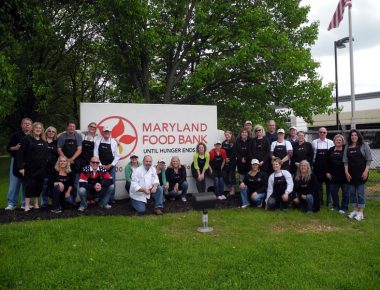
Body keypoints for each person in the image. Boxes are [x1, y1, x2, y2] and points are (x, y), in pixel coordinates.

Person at [17, 122, 49, 211]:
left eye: (40, 128)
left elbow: (46, 154)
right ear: (33, 129)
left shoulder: (43, 140)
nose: (38, 129)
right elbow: (20, 154)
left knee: (39, 186)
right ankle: (27, 205)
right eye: (36, 128)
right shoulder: (27, 139)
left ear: (42, 130)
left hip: (41, 168)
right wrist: (21, 168)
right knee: (30, 186)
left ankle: (36, 204)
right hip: (30, 168)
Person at [343, 129, 372, 221]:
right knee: (352, 193)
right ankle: (355, 210)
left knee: (360, 193)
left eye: (355, 135)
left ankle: (361, 212)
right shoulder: (347, 146)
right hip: (350, 174)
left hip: (361, 173)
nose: (353, 137)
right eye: (352, 135)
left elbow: (369, 159)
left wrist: (366, 171)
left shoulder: (364, 145)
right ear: (350, 137)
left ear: (358, 136)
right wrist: (346, 172)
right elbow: (345, 161)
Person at [5, 117, 32, 210]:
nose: (27, 125)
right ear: (21, 125)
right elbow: (8, 148)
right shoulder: (15, 135)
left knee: (26, 183)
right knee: (14, 183)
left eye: (29, 124)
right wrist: (15, 148)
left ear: (31, 126)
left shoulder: (32, 136)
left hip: (28, 163)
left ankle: (25, 203)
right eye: (25, 123)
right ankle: (11, 203)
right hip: (16, 161)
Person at [57, 120, 83, 199]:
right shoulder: (62, 136)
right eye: (70, 126)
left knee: (75, 183)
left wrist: (71, 159)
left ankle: (73, 200)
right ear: (67, 127)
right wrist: (66, 160)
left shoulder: (78, 136)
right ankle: (62, 200)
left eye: (73, 126)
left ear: (75, 128)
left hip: (75, 163)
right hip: (64, 164)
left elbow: (79, 149)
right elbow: (59, 149)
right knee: (64, 182)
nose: (71, 128)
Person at [94, 126, 120, 202]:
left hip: (111, 166)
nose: (107, 133)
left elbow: (117, 155)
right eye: (105, 132)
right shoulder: (98, 141)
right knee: (101, 182)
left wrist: (111, 165)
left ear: (110, 133)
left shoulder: (113, 142)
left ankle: (111, 198)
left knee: (112, 182)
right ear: (102, 133)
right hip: (100, 166)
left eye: (108, 132)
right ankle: (100, 198)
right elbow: (95, 154)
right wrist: (101, 165)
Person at [326, 134, 348, 213]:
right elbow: (327, 162)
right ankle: (335, 206)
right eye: (336, 140)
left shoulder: (346, 149)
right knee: (333, 192)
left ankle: (344, 208)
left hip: (344, 175)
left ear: (342, 141)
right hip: (333, 175)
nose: (338, 141)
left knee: (345, 192)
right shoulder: (331, 150)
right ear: (334, 141)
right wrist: (327, 172)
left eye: (340, 140)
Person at [312, 127, 334, 207]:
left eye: (324, 132)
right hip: (317, 168)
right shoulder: (314, 142)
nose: (322, 134)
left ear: (326, 133)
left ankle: (329, 202)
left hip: (328, 168)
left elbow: (332, 155)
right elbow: (313, 155)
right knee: (319, 187)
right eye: (320, 132)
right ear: (318, 133)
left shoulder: (331, 142)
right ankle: (320, 201)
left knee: (329, 186)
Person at [41, 126, 59, 207]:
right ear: (46, 132)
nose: (51, 132)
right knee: (44, 185)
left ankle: (53, 201)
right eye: (49, 131)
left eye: (53, 131)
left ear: (55, 133)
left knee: (53, 184)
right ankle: (44, 202)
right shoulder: (42, 141)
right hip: (44, 167)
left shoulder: (56, 142)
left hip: (54, 167)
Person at [222, 130, 237, 195]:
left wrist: (229, 158)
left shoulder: (234, 142)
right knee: (224, 175)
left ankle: (233, 190)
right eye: (225, 135)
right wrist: (225, 158)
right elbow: (222, 151)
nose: (227, 136)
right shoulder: (223, 143)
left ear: (231, 135)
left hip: (232, 161)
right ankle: (230, 188)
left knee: (231, 176)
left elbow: (234, 152)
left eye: (228, 135)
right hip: (225, 162)